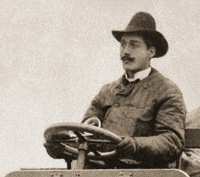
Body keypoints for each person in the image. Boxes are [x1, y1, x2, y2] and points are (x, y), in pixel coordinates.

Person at [47, 12, 186, 168]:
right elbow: (85, 135)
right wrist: (61, 146)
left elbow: (172, 141)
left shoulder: (166, 91)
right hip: (98, 174)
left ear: (151, 52)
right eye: (123, 44)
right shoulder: (107, 92)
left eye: (134, 44)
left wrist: (135, 146)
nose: (125, 51)